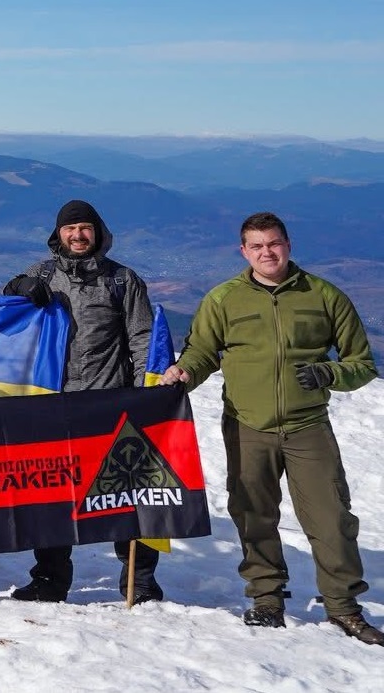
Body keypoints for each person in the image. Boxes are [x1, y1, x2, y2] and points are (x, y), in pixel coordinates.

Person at [159, 213, 381, 642]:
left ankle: (343, 607)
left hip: (307, 426)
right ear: (244, 251)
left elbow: (362, 364)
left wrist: (329, 374)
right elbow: (202, 352)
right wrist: (184, 373)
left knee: (332, 518)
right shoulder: (224, 300)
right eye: (257, 246)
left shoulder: (324, 296)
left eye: (274, 243)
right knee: (253, 514)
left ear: (288, 244)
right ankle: (267, 600)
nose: (267, 252)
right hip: (246, 425)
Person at [2, 199, 159, 605]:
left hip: (109, 401)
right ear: (59, 234)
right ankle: (50, 579)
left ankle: (139, 581)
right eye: (70, 229)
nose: (77, 235)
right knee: (54, 494)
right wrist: (18, 287)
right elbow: (6, 312)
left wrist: (145, 396)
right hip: (53, 402)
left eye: (84, 228)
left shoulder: (123, 280)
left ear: (98, 232)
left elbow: (142, 340)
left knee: (126, 493)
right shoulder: (43, 273)